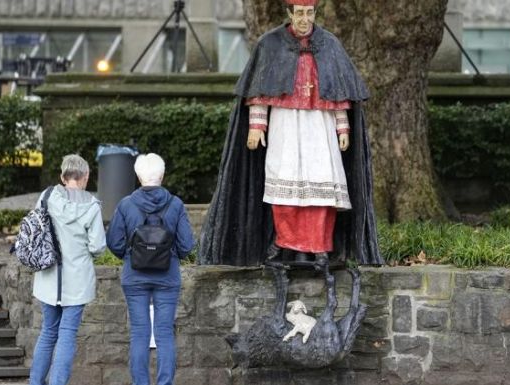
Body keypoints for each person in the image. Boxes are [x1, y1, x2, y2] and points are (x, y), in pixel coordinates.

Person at [199, 0, 382, 267]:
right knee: (283, 183)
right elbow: (260, 88)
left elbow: (339, 90)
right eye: (299, 13)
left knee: (323, 184)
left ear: (315, 14)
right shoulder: (270, 44)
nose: (304, 19)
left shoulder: (329, 45)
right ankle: (286, 242)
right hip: (284, 124)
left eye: (309, 13)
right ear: (289, 13)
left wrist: (342, 127)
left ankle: (319, 244)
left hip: (320, 126)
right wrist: (256, 125)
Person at [106, 153, 194, 385]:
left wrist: (129, 255)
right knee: (164, 333)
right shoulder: (175, 204)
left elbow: (114, 242)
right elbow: (186, 246)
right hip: (167, 277)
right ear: (162, 175)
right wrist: (173, 255)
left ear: (137, 176)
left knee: (139, 333)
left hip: (134, 277)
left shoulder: (125, 205)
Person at [29, 154, 106, 385]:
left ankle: (35, 382)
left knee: (48, 331)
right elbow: (98, 246)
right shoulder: (92, 205)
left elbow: (35, 229)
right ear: (86, 177)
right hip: (77, 280)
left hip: (48, 277)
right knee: (67, 334)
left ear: (62, 177)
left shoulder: (47, 196)